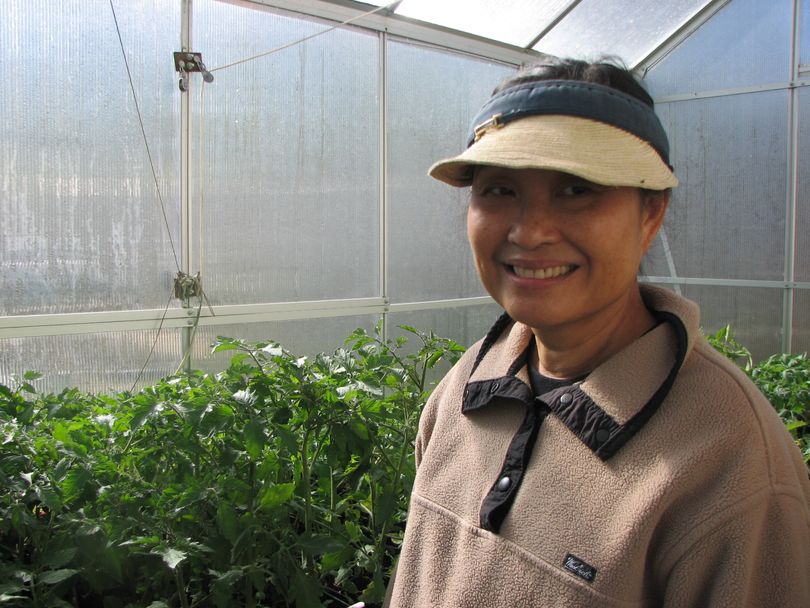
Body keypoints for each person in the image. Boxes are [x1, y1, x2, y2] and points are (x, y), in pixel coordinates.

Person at [383, 57, 810, 607]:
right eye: (499, 189)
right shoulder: (467, 386)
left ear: (651, 214)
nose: (529, 231)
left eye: (577, 189)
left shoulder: (729, 463)